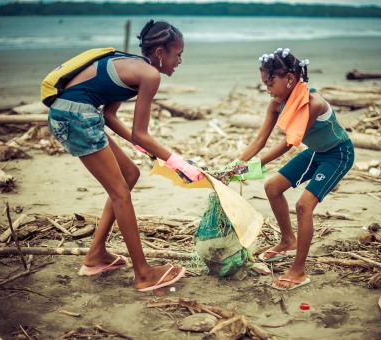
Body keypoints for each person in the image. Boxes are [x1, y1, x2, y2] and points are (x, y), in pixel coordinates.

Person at [47, 20, 204, 291]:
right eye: (178, 54)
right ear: (160, 53)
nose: (180, 60)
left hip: (76, 114)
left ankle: (96, 254)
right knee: (120, 193)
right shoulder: (150, 76)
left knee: (130, 174)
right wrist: (178, 162)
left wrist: (143, 147)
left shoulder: (133, 64)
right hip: (76, 117)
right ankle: (144, 274)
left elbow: (109, 115)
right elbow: (140, 132)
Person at [233, 48, 354, 290]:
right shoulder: (276, 104)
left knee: (303, 206)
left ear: (289, 78)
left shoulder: (314, 103)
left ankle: (298, 270)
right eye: (264, 84)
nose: (267, 89)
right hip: (316, 153)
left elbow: (289, 142)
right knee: (272, 187)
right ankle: (288, 240)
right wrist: (236, 165)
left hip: (338, 155)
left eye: (270, 83)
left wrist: (255, 166)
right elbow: (260, 140)